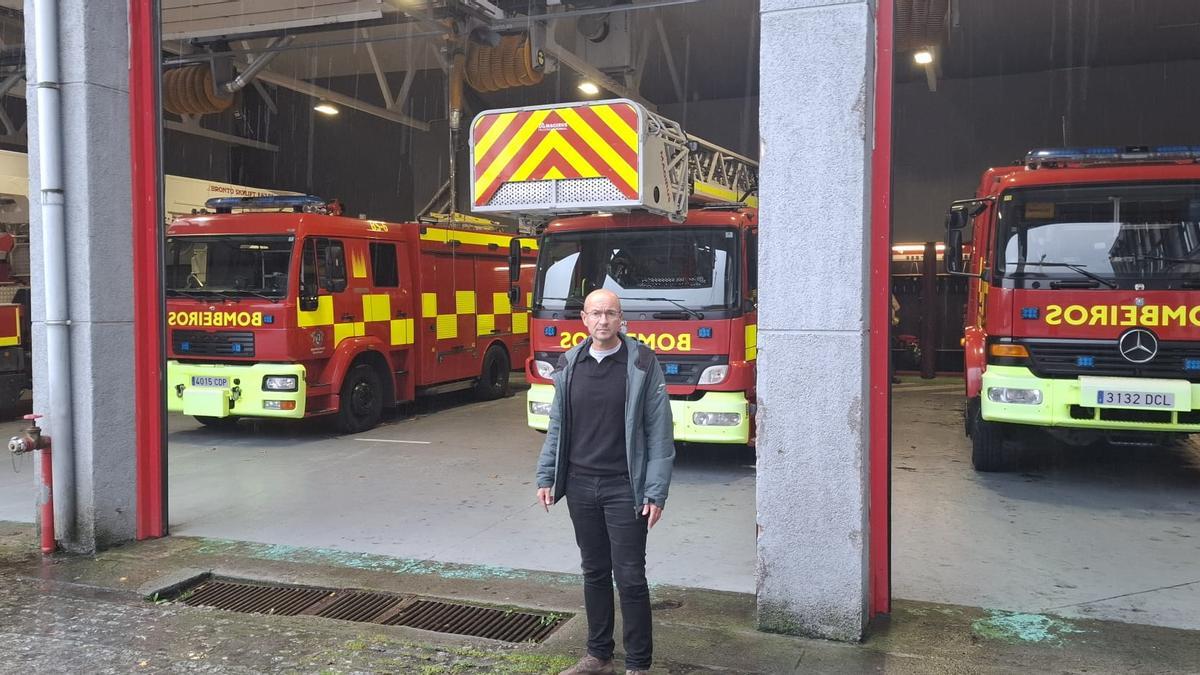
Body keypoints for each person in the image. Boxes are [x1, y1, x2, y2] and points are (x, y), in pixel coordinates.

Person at [536, 289, 675, 675]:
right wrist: (547, 475)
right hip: (580, 484)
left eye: (610, 314)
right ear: (584, 318)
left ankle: (638, 664)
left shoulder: (642, 364)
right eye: (596, 313)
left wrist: (655, 490)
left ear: (621, 319)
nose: (603, 321)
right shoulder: (569, 364)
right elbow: (558, 427)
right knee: (594, 570)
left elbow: (660, 432)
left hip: (623, 487)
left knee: (630, 576)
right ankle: (599, 656)